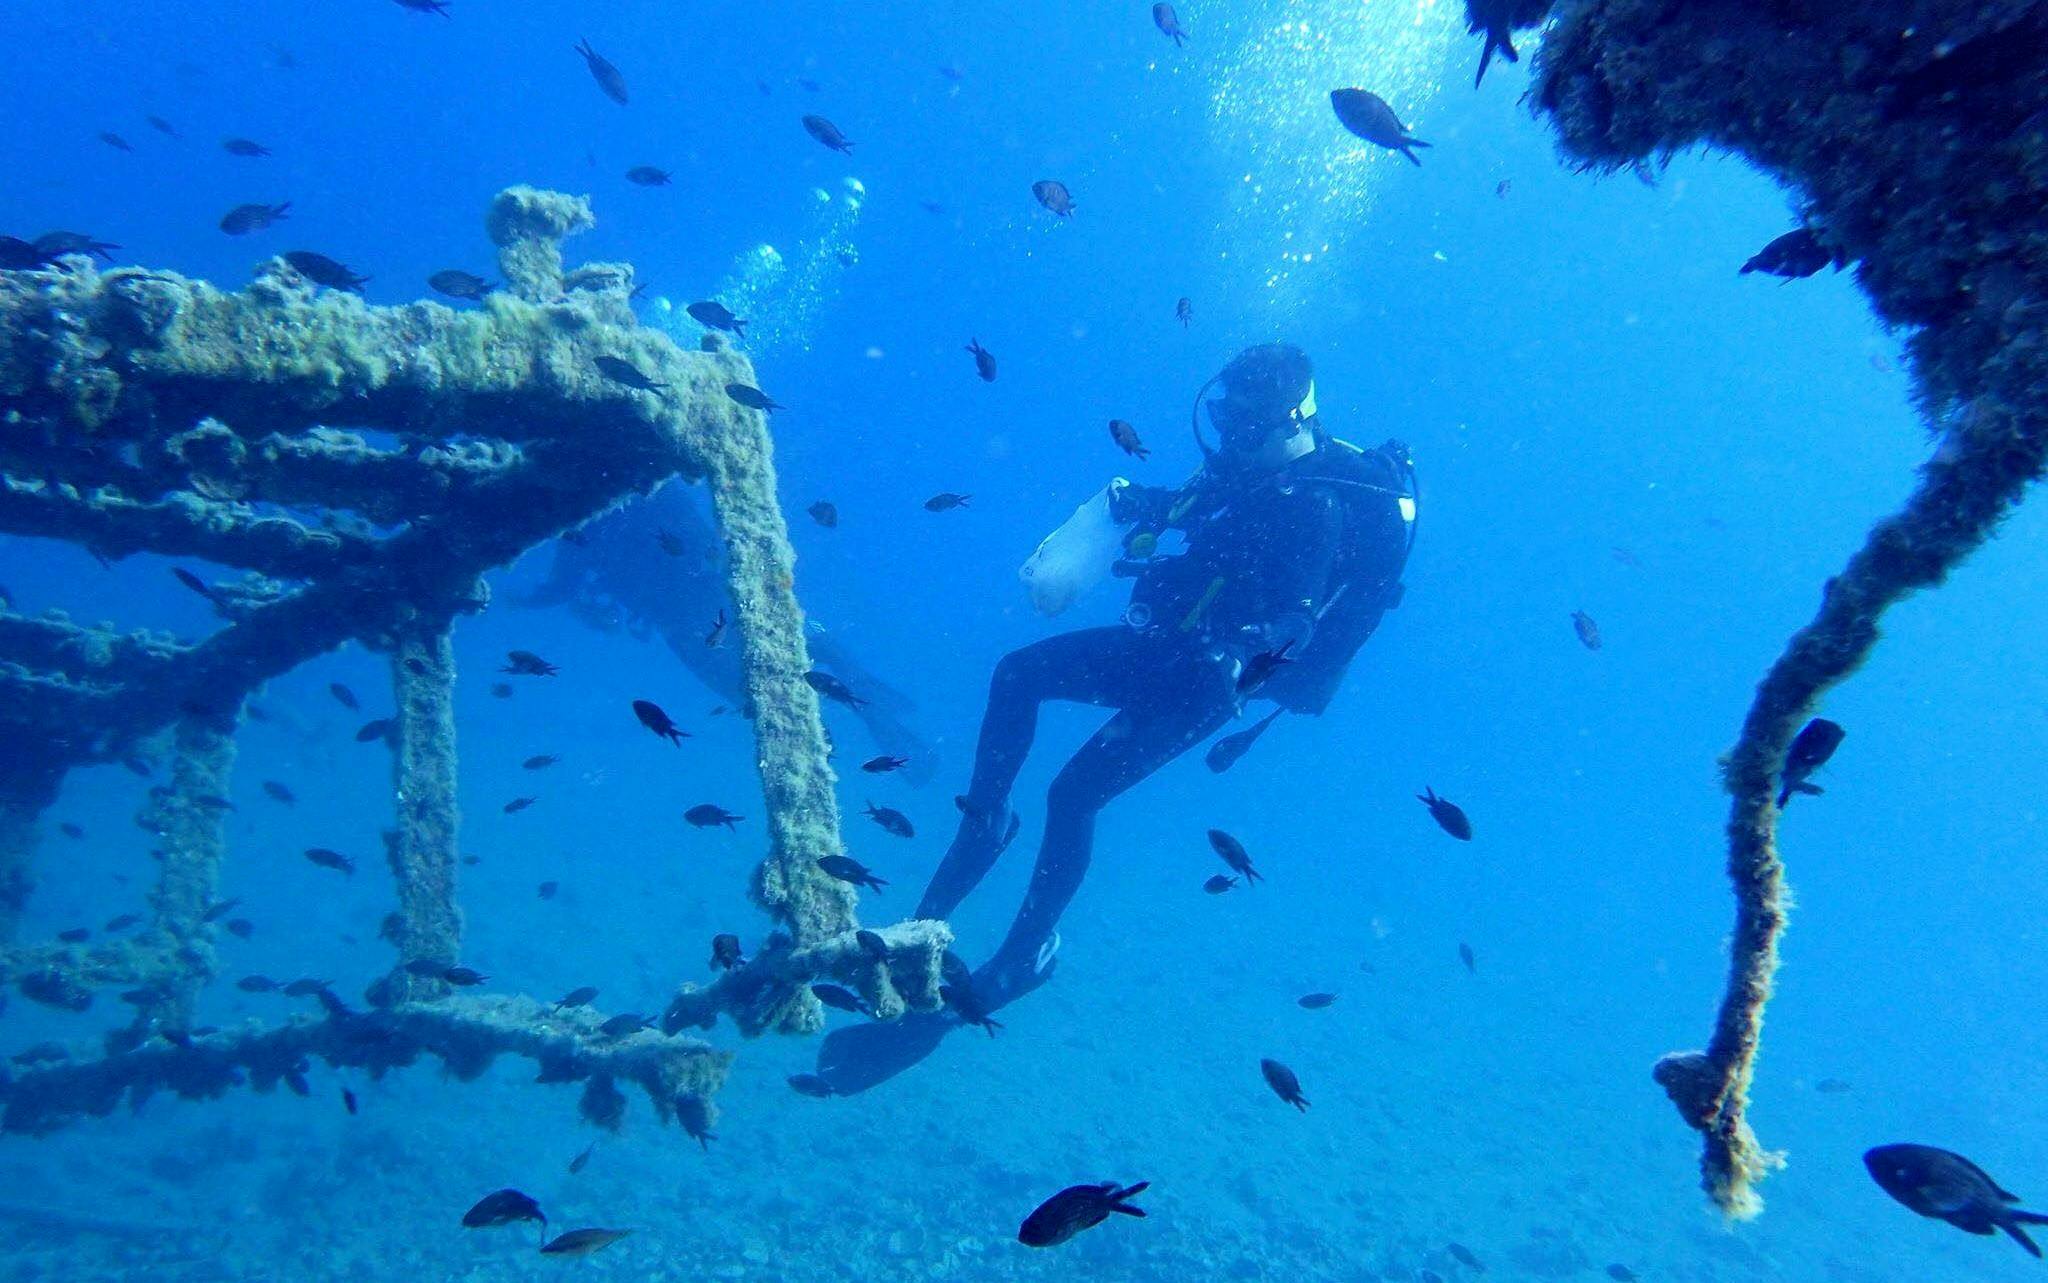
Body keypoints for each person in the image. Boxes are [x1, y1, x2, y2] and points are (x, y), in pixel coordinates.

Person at [817, 342, 1418, 1092]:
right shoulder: (1241, 468)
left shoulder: (1316, 505)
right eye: (1225, 416)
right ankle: (986, 824)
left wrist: (1240, 651)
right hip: (1164, 646)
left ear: (1287, 419)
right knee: (1016, 674)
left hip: (1205, 683)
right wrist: (1142, 506)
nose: (1228, 435)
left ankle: (1028, 954)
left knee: (1073, 793)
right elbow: (1196, 510)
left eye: (1245, 422)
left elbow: (1296, 619)